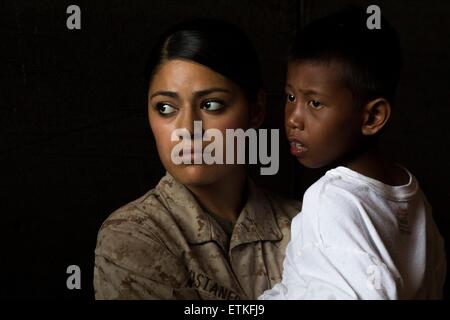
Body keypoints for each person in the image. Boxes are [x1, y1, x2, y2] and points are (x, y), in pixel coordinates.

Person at [93, 18, 300, 299]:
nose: (188, 129)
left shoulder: (309, 224)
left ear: (256, 109)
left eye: (211, 104)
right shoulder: (133, 236)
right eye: (165, 107)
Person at [259, 8, 446, 300]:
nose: (293, 118)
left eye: (315, 103)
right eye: (291, 97)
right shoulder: (412, 195)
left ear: (372, 117)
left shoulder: (330, 200)